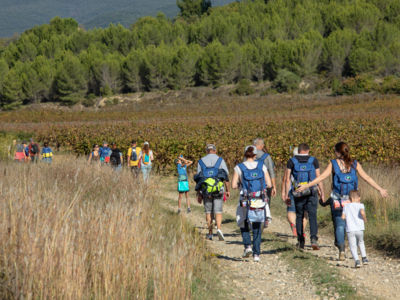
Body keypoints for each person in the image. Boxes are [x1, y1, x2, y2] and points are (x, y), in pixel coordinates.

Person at [297, 142, 388, 260]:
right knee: (352, 225)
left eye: (335, 151)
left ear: (338, 152)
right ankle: (355, 248)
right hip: (352, 200)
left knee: (339, 224)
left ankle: (341, 249)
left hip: (337, 199)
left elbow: (321, 177)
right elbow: (367, 178)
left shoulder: (333, 163)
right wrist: (379, 189)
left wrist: (307, 186)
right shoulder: (354, 163)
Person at [233, 146, 272, 262]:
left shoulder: (239, 167)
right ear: (255, 155)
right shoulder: (262, 166)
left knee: (243, 222)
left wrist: (241, 184)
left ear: (245, 154)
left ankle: (247, 246)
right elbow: (269, 184)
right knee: (257, 225)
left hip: (246, 199)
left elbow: (234, 185)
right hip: (259, 199)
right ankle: (256, 254)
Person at [283, 143, 324, 250]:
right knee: (312, 215)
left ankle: (301, 241)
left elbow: (287, 179)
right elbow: (318, 177)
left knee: (299, 216)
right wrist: (322, 191)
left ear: (299, 150)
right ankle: (314, 239)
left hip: (298, 192)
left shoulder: (291, 161)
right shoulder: (313, 160)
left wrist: (287, 194)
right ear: (308, 151)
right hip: (311, 191)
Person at [195, 144, 230, 241]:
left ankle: (210, 233)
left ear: (207, 151)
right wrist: (228, 190)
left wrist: (198, 193)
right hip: (218, 190)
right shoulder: (220, 160)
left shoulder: (201, 161)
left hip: (206, 190)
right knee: (218, 210)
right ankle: (219, 229)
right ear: (215, 150)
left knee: (208, 212)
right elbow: (226, 176)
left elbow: (199, 178)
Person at [281, 147, 308, 238]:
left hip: (293, 190)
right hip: (306, 191)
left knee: (291, 210)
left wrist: (284, 192)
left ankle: (294, 226)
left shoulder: (291, 163)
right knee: (304, 212)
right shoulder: (309, 163)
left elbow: (285, 179)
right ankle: (302, 231)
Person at [341, 190, 369, 268]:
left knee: (353, 246)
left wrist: (345, 218)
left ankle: (357, 261)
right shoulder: (361, 205)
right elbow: (362, 213)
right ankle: (364, 258)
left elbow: (343, 217)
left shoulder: (346, 206)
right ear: (359, 198)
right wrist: (365, 219)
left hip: (350, 229)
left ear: (349, 199)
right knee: (361, 242)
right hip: (360, 229)